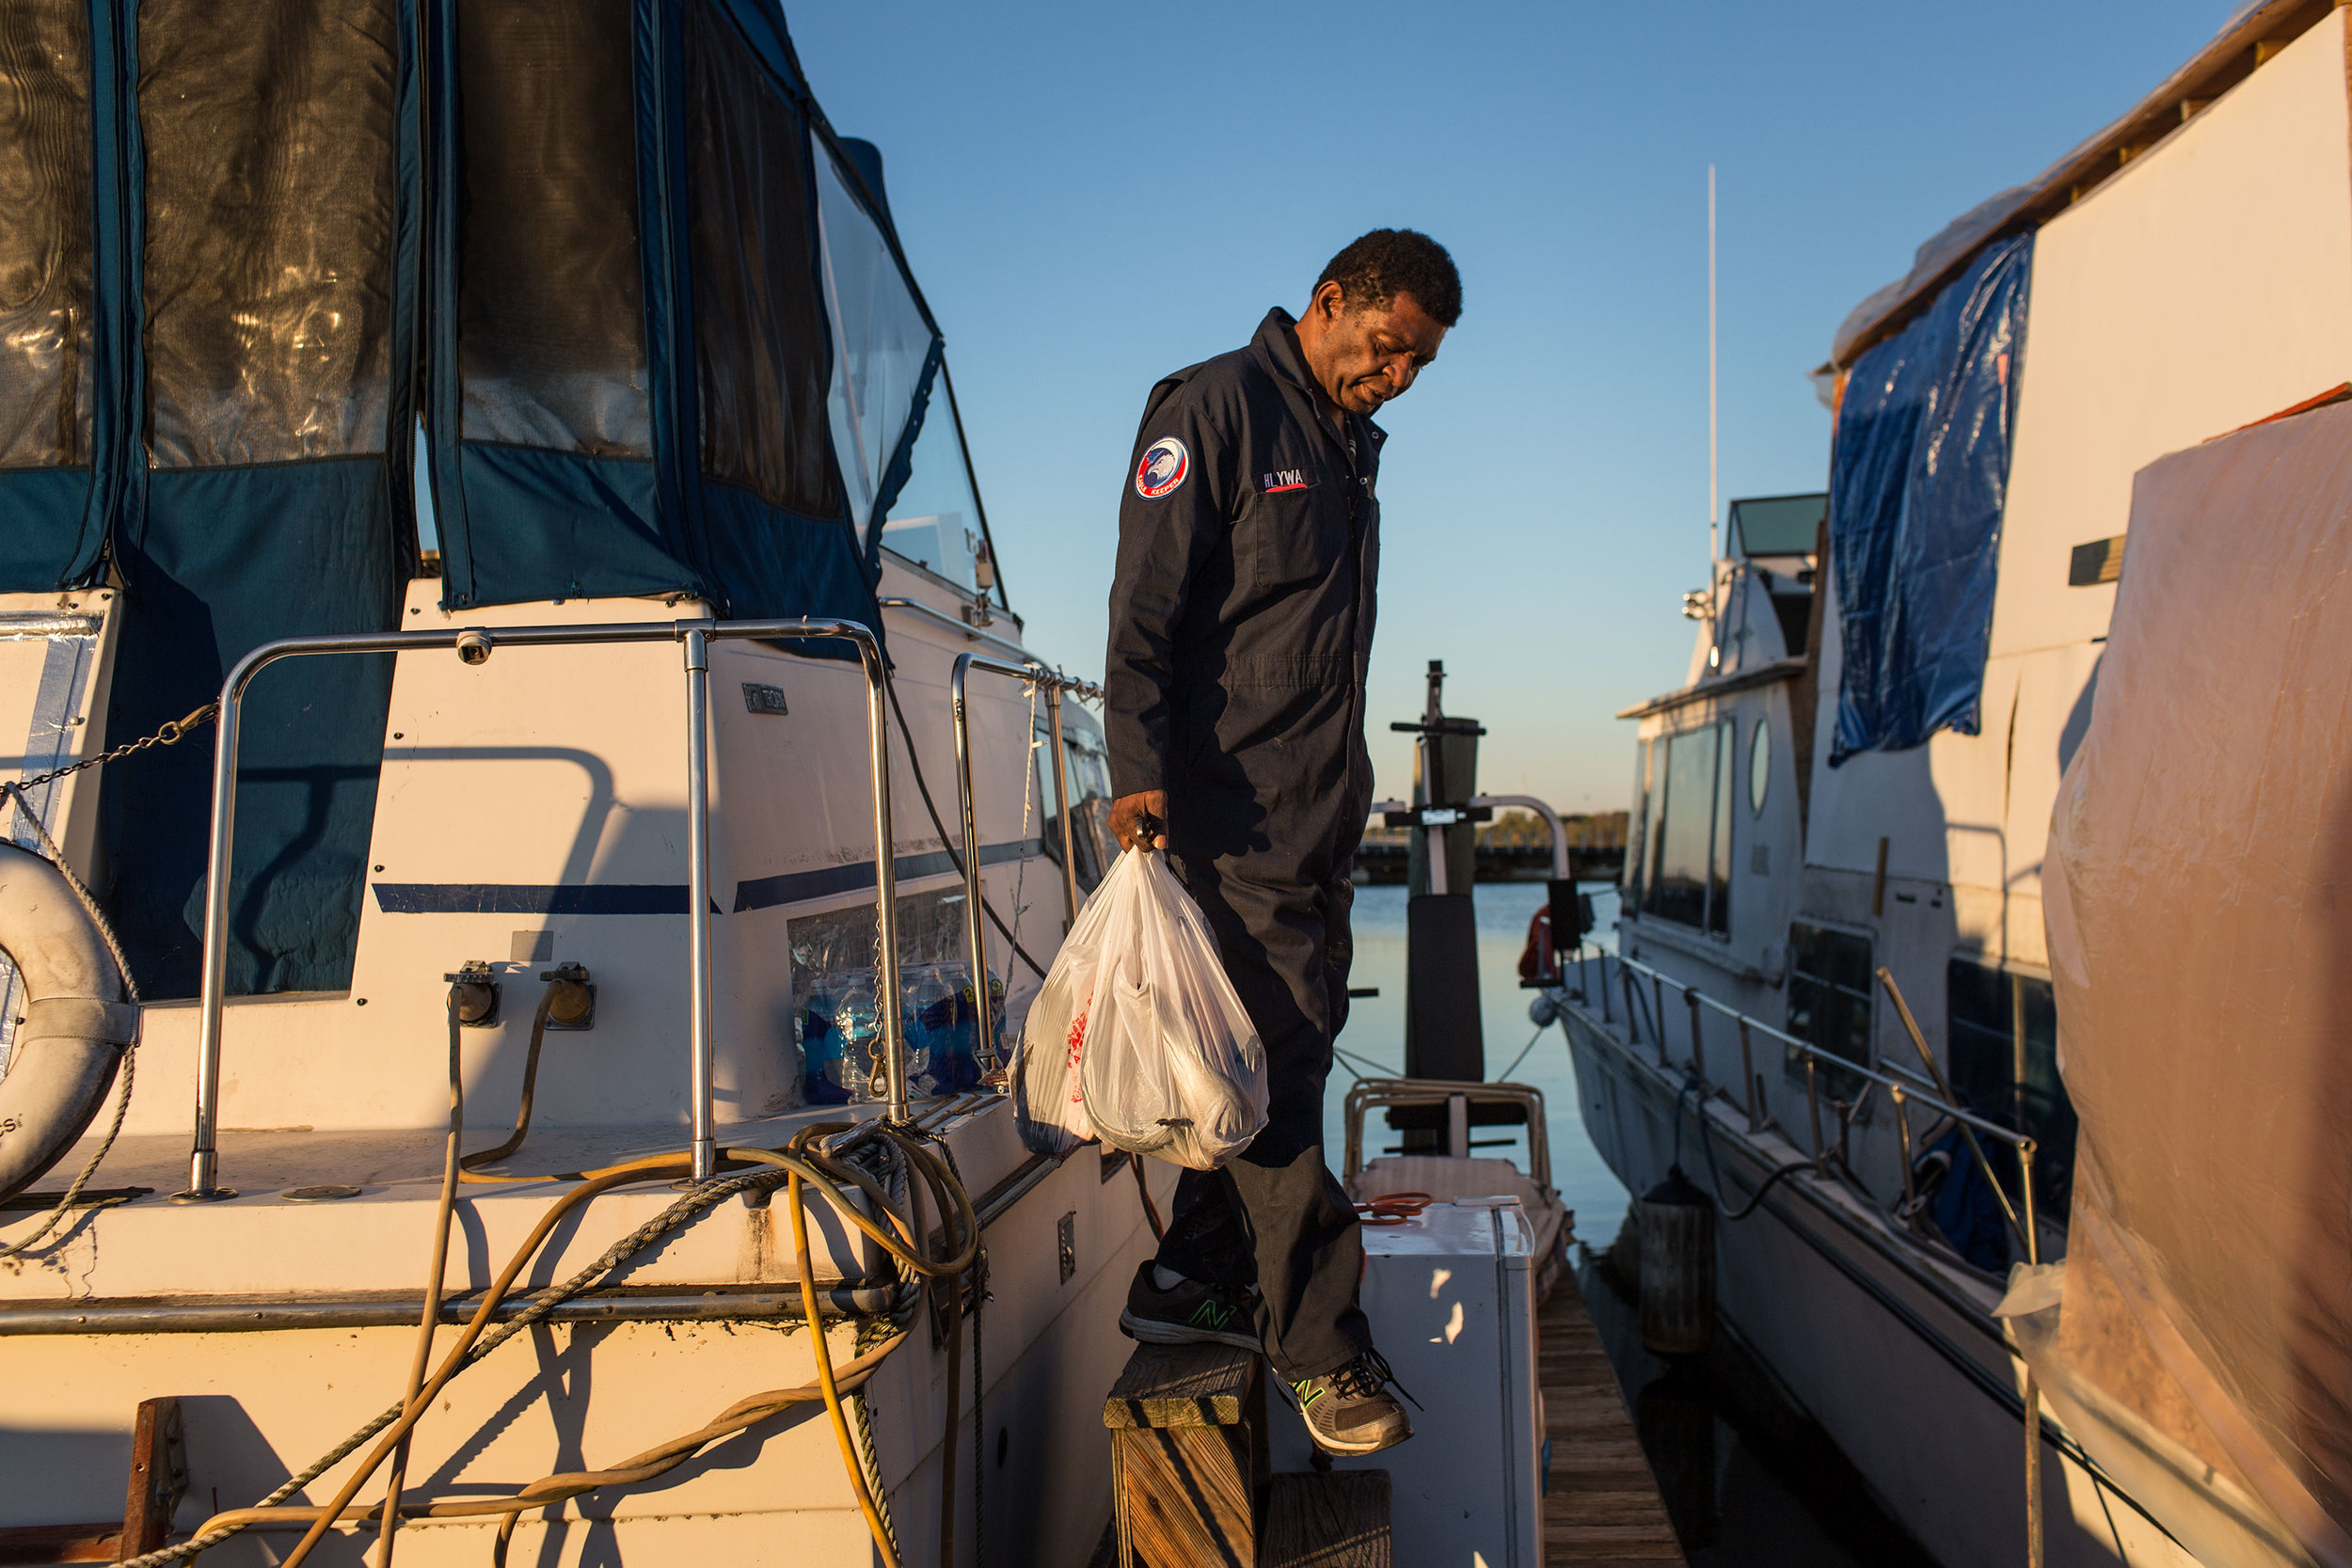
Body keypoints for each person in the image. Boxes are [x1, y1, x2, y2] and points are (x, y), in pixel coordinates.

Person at [1100, 229, 1458, 1456]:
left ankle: (1185, 1278)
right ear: (1329, 304)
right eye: (1388, 346)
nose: (1398, 374)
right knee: (1286, 1090)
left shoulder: (1344, 447)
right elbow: (1143, 610)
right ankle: (1320, 1352)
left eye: (1419, 364)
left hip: (1315, 829)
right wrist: (1136, 780)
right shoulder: (1217, 411)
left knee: (1248, 1075)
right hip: (1225, 825)